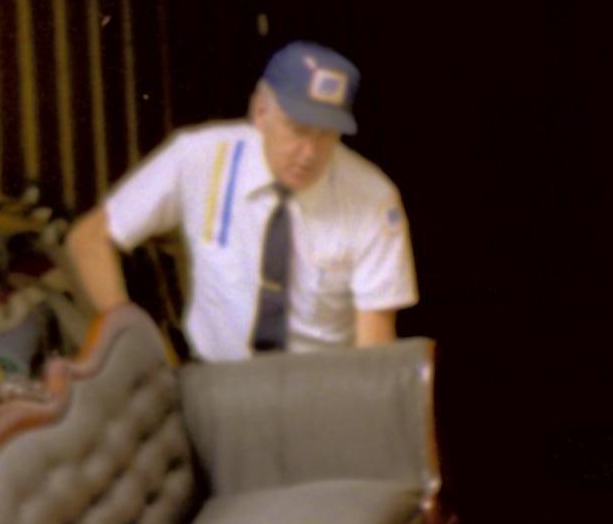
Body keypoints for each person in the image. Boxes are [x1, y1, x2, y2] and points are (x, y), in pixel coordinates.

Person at [67, 40, 417, 359]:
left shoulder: (372, 198)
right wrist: (137, 350)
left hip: (320, 386)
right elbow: (89, 239)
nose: (309, 153)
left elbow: (375, 344)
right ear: (261, 112)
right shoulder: (199, 157)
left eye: (326, 135)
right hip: (218, 379)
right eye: (298, 129)